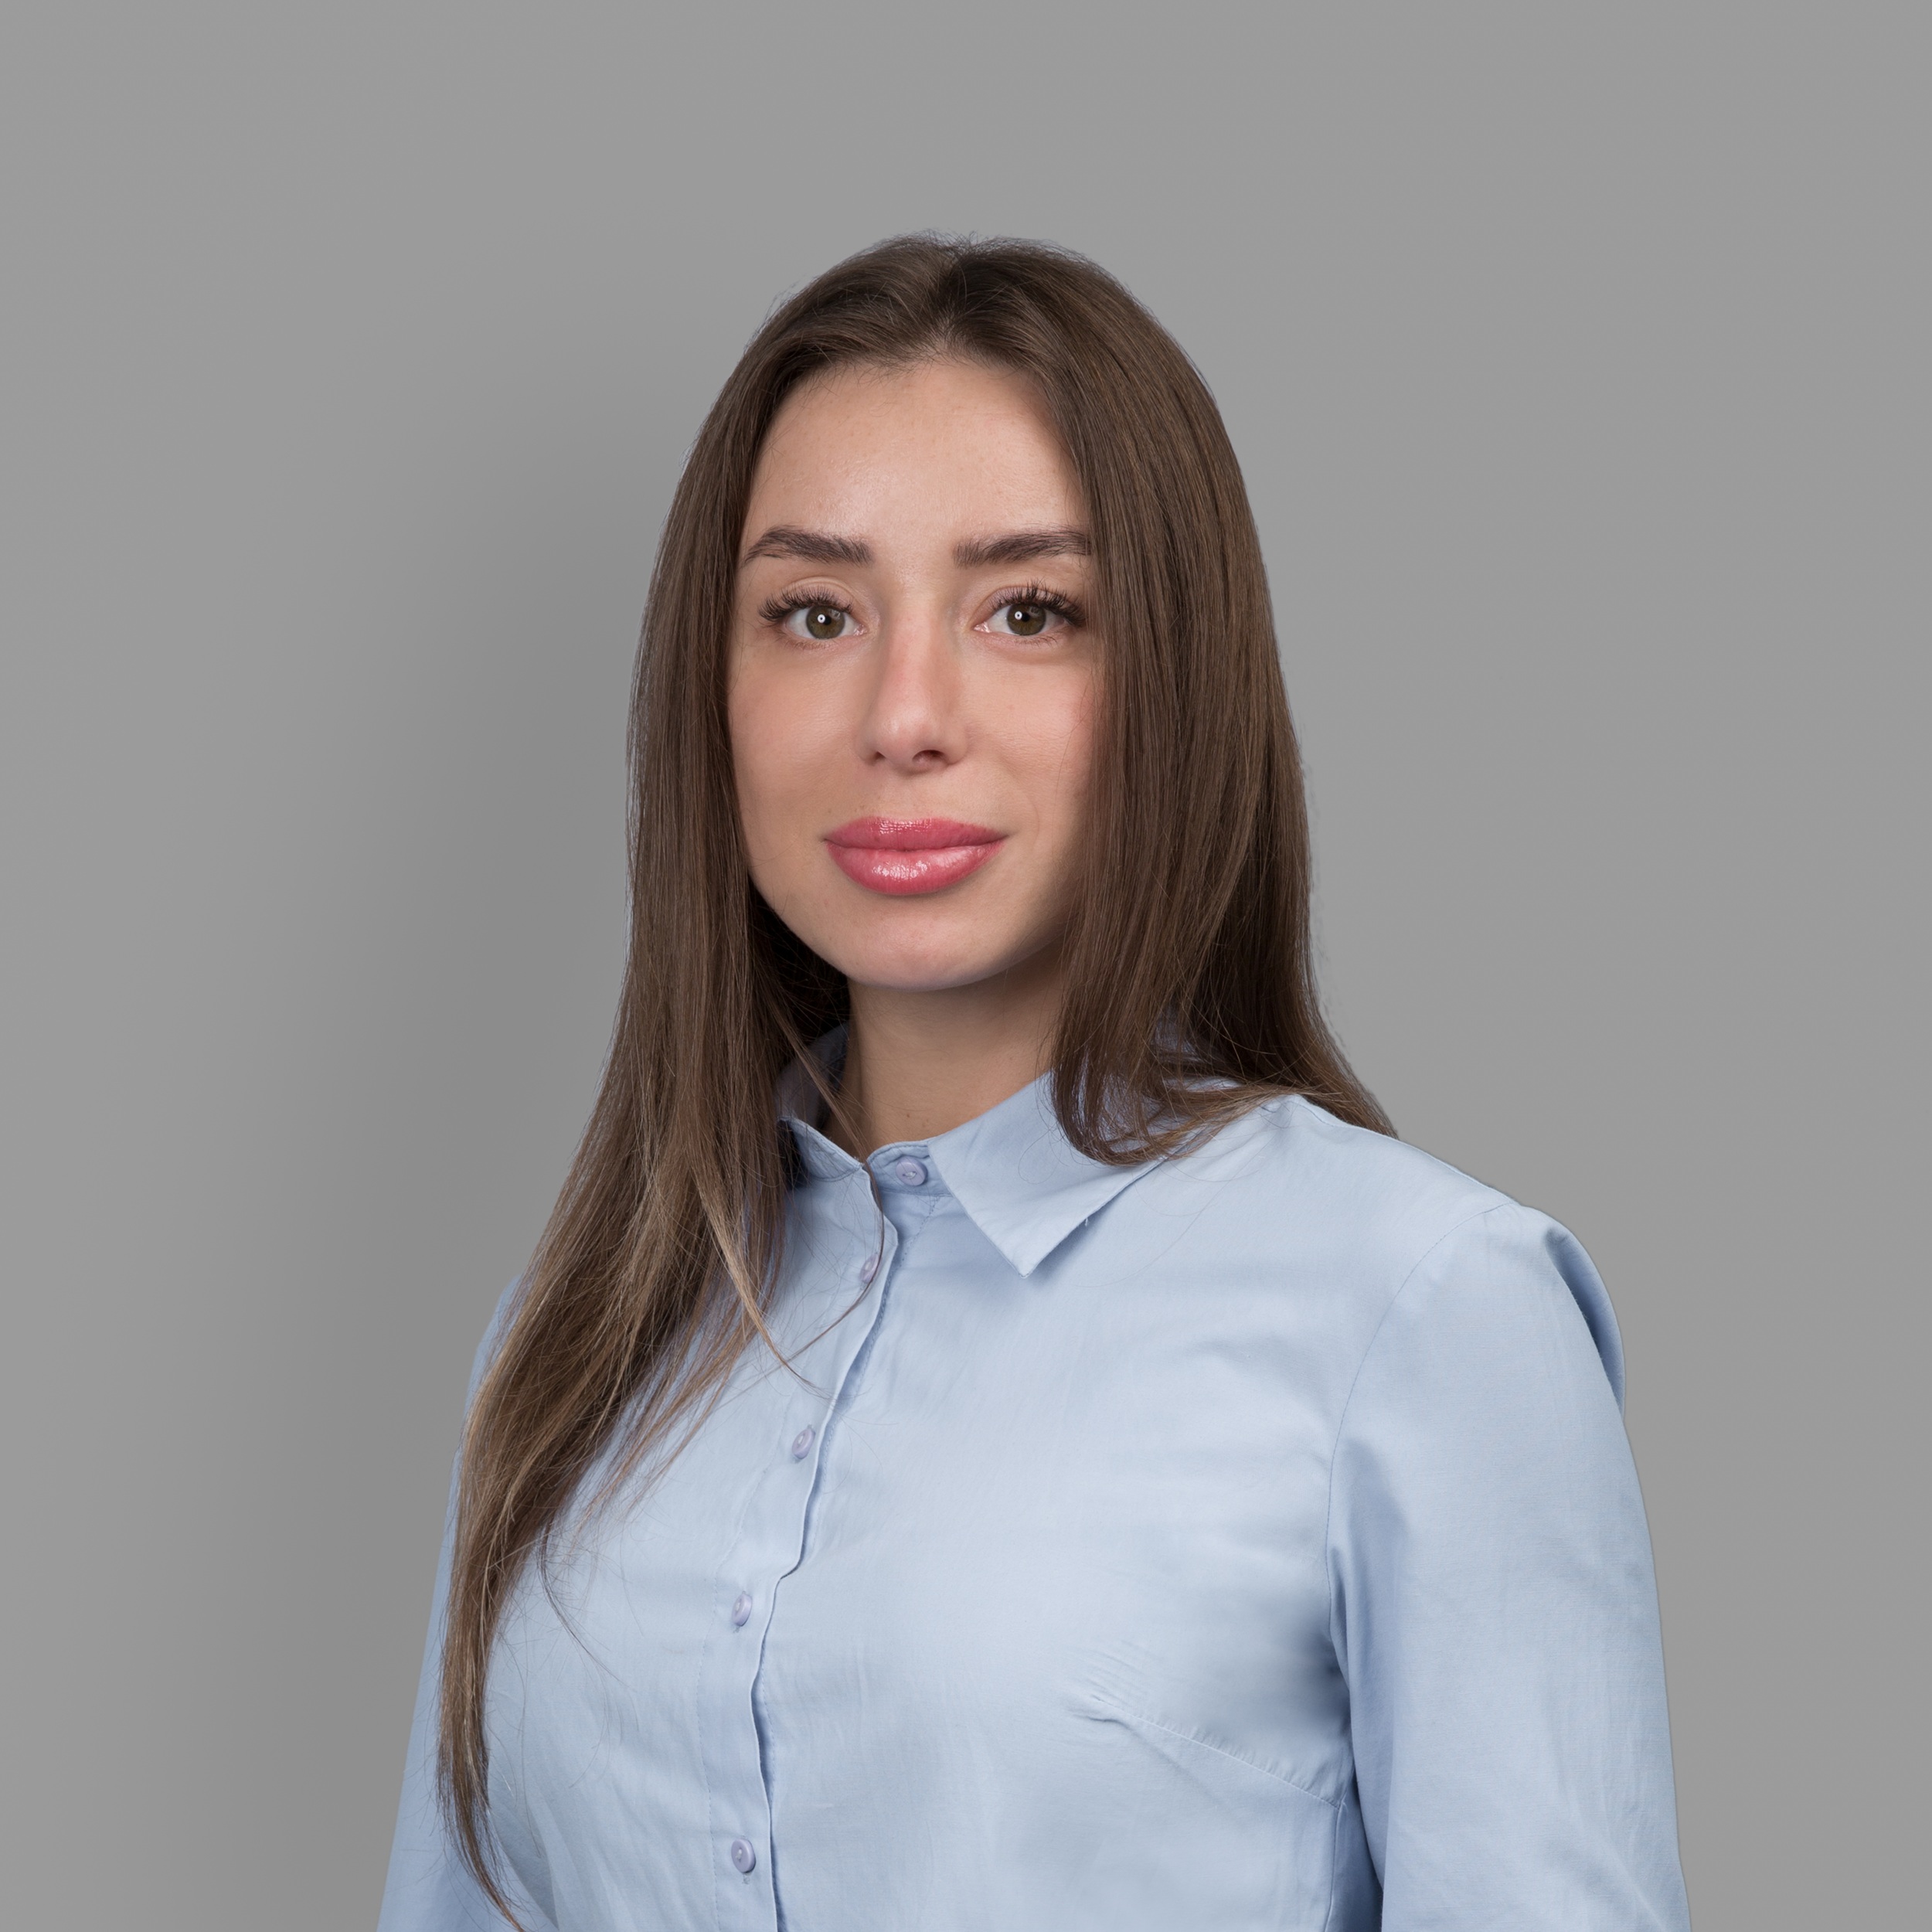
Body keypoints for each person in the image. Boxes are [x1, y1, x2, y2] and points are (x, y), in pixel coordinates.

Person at [377, 234, 1690, 1932]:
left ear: (1176, 679)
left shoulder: (1426, 1317)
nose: (903, 714)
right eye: (814, 612)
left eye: (1028, 611)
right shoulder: (581, 1331)